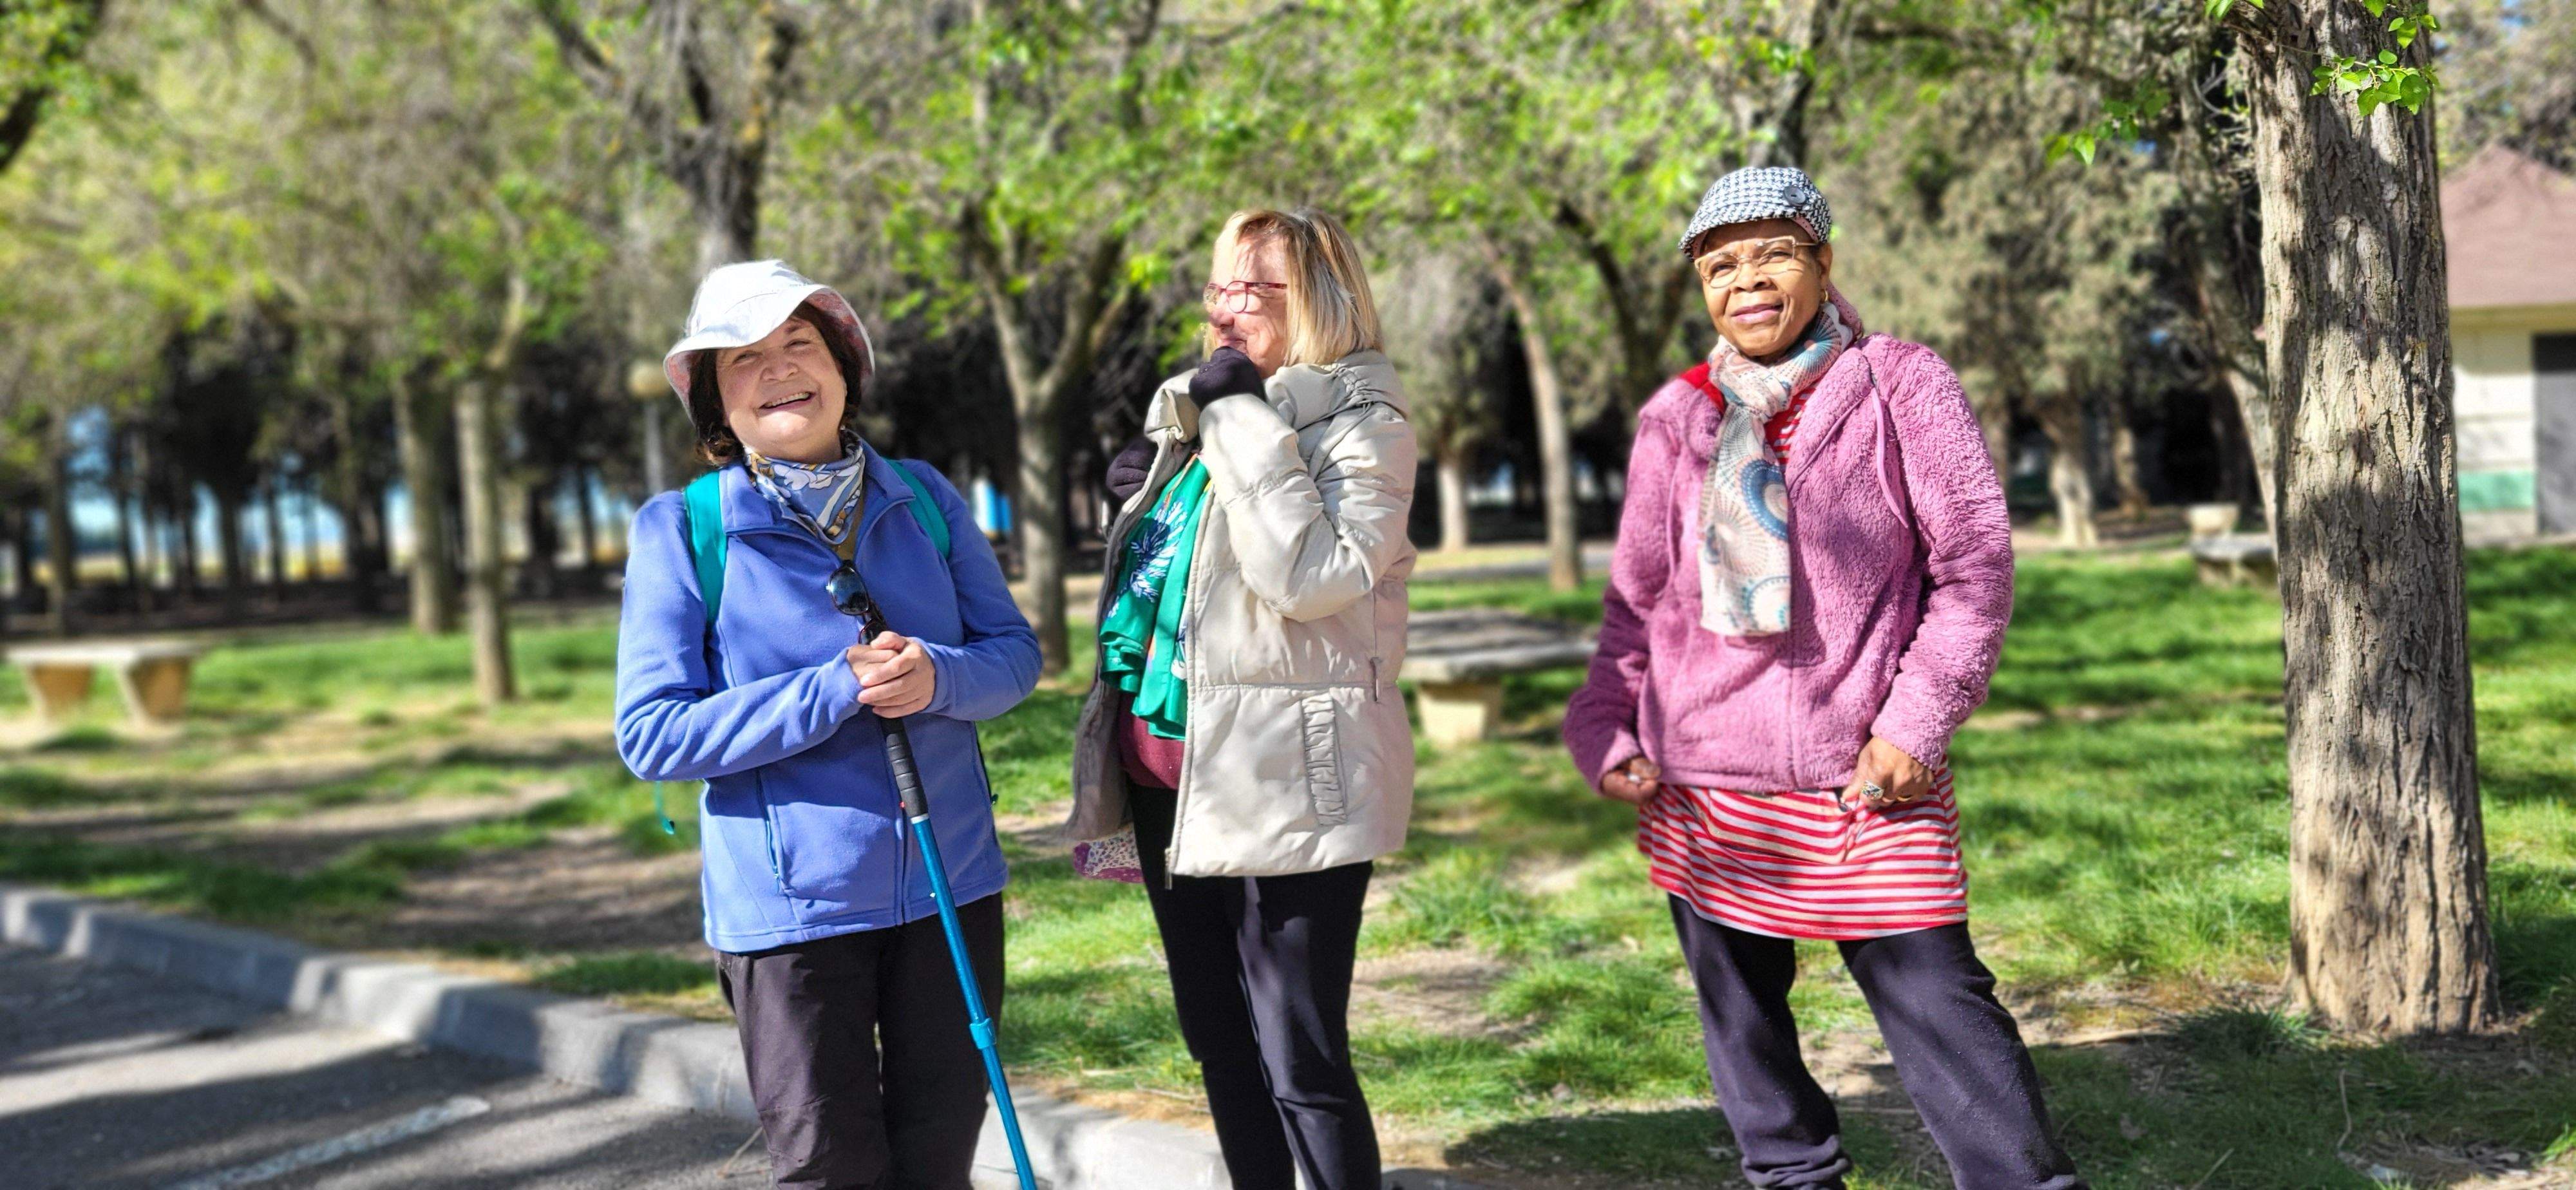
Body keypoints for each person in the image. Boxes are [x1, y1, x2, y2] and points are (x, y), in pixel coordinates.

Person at [1563, 168, 2085, 1190]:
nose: (1746, 282)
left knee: (1944, 1013)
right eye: (1720, 267)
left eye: (1771, 254)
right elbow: (1638, 598)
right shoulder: (1679, 413)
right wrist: (1603, 728)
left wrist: (1915, 723)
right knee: (1747, 1042)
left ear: (1823, 262)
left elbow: (1974, 568)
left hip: (1866, 775)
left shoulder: (1901, 383)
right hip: (1702, 782)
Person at [614, 260, 1040, 1190]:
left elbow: (1014, 659)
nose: (778, 371)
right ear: (715, 405)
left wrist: (938, 677)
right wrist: (830, 691)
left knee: (938, 1165)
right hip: (791, 919)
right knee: (830, 1173)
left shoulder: (923, 494)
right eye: (745, 359)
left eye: (799, 345)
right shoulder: (683, 529)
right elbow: (652, 732)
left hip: (951, 889)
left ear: (845, 365)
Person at [1066, 207, 1416, 1190]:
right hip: (1172, 783)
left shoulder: (1366, 425)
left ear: (1323, 301)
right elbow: (1170, 603)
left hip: (1288, 785)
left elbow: (1311, 577)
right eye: (1220, 286)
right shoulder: (1203, 412)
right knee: (1219, 1042)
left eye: (1257, 291)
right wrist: (1140, 497)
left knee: (1301, 1058)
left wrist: (1234, 418)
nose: (1228, 310)